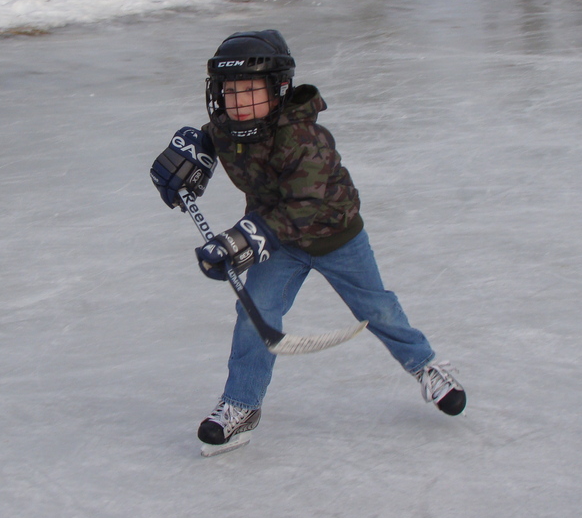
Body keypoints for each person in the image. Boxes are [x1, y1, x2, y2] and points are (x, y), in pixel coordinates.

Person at [150, 30, 465, 453]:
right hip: (278, 241)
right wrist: (190, 151)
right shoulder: (229, 128)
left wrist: (239, 242)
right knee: (255, 315)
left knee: (377, 308)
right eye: (230, 92)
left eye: (250, 91)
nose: (239, 103)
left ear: (278, 90)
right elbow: (208, 140)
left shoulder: (304, 139)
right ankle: (241, 406)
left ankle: (426, 367)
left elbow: (302, 207)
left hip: (334, 234)